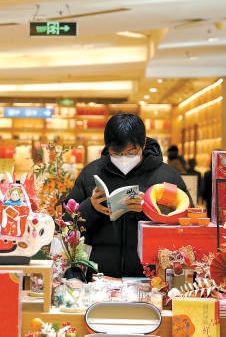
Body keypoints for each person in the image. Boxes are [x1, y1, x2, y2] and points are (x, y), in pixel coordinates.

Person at [64, 113, 193, 279]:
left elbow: (187, 225)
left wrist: (152, 210)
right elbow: (66, 224)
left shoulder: (167, 176)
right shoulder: (91, 173)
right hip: (99, 279)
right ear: (107, 147)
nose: (124, 159)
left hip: (153, 279)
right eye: (116, 154)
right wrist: (90, 207)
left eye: (131, 153)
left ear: (143, 143)